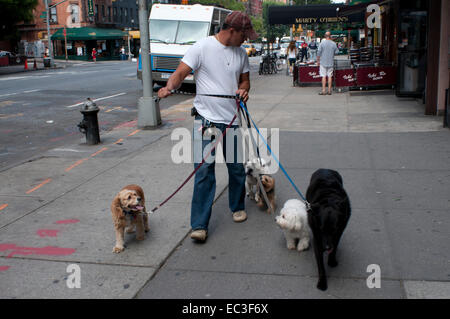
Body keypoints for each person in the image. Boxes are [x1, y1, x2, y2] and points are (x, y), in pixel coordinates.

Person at [158, 11, 257, 242]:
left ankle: (237, 206)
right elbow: (180, 73)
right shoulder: (201, 47)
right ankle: (200, 224)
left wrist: (244, 90)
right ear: (232, 31)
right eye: (245, 35)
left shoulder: (241, 53)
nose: (247, 39)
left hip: (231, 119)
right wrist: (168, 87)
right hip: (206, 120)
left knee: (235, 167)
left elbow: (245, 81)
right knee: (204, 171)